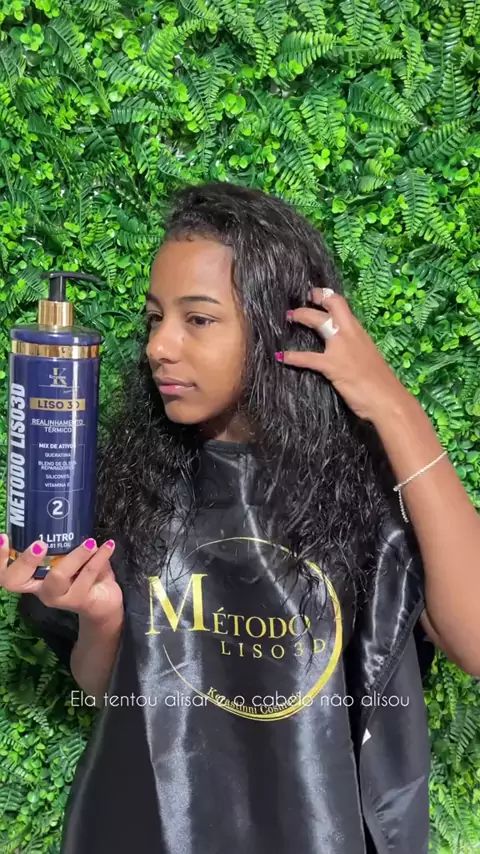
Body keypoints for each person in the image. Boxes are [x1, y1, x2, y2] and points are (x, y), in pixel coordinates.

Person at [1, 181, 480, 854]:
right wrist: (103, 618)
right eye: (154, 318)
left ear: (278, 326)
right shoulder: (130, 480)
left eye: (198, 320)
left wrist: (392, 404)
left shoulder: (367, 488)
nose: (159, 346)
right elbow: (117, 696)